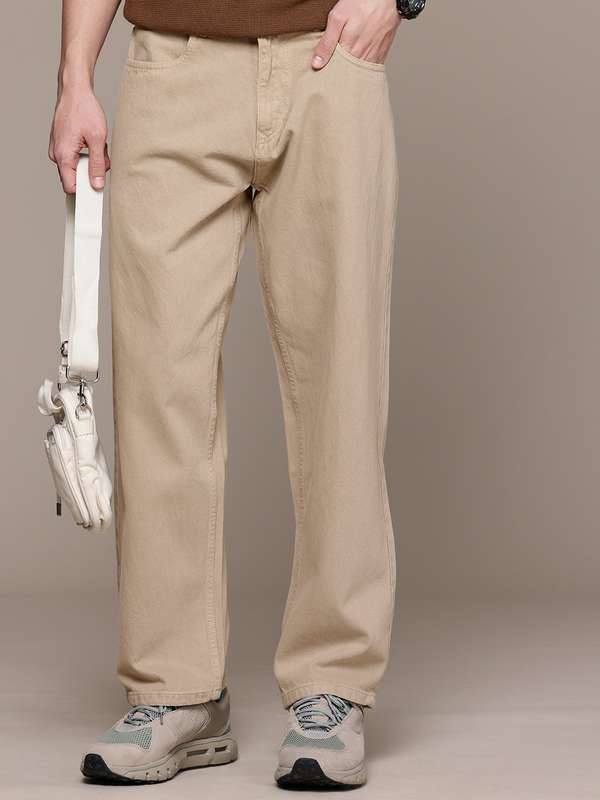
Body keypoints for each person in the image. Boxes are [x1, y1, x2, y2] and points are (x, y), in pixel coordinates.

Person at [49, 0, 426, 788]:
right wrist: (75, 76)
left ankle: (334, 684)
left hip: (328, 62)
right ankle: (174, 689)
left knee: (340, 389)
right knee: (157, 388)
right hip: (171, 66)